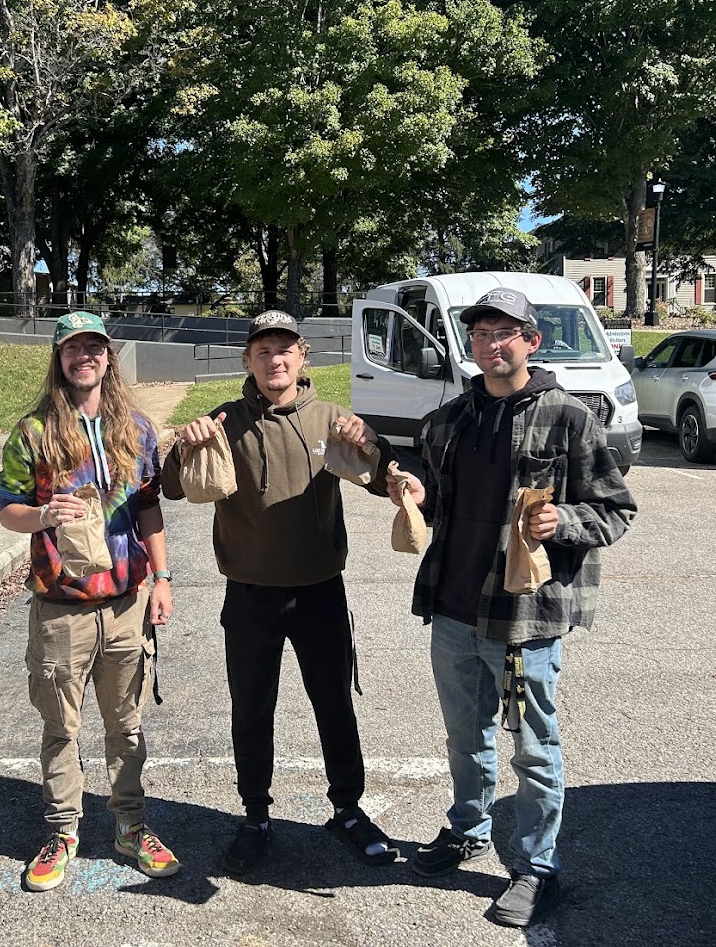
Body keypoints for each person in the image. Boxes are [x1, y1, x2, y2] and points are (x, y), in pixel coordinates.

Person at [389, 288, 636, 928]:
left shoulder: (569, 418)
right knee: (465, 735)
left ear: (532, 341)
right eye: (479, 334)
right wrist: (417, 492)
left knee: (534, 744)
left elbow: (617, 509)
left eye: (505, 332)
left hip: (526, 617)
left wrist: (567, 519)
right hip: (451, 608)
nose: (490, 344)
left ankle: (534, 866)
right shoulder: (447, 421)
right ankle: (467, 827)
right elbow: (439, 506)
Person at [161, 309, 397, 876]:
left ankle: (347, 809)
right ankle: (255, 816)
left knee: (335, 704)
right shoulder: (223, 422)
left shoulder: (333, 419)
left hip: (320, 591)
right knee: (251, 707)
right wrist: (184, 446)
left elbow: (384, 473)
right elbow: (170, 487)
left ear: (303, 356)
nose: (275, 360)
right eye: (263, 351)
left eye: (285, 349)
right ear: (248, 360)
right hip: (249, 594)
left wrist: (379, 453)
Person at [0, 311, 179, 892]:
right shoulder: (33, 433)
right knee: (61, 728)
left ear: (108, 356)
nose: (85, 357)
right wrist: (45, 514)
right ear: (60, 357)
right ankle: (62, 830)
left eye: (94, 347)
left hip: (125, 603)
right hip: (61, 606)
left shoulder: (137, 429)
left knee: (126, 724)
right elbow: (8, 509)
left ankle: (130, 824)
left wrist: (163, 577)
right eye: (73, 348)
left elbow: (148, 506)